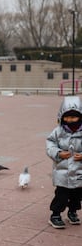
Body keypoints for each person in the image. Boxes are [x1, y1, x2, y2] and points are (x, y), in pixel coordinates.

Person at [46, 95, 82, 229]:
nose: (70, 120)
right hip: (63, 170)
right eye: (67, 117)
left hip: (79, 171)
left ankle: (73, 212)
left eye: (73, 117)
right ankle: (55, 214)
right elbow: (50, 144)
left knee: (77, 195)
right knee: (61, 194)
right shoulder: (58, 131)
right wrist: (58, 153)